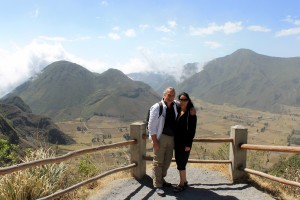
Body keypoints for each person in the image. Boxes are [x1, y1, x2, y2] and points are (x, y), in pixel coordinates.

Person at [148, 87, 179, 196]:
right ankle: (157, 185)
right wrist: (155, 141)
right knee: (158, 161)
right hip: (161, 137)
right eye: (169, 95)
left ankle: (161, 179)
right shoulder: (157, 107)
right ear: (164, 95)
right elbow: (151, 126)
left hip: (171, 138)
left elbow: (185, 103)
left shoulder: (175, 105)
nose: (171, 97)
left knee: (167, 160)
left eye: (173, 95)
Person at [173, 92, 197, 192]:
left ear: (188, 100)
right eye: (181, 100)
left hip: (184, 143)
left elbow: (192, 130)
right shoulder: (178, 110)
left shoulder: (190, 112)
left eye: (185, 100)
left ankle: (181, 184)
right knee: (179, 161)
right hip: (177, 141)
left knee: (181, 163)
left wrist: (188, 144)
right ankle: (185, 180)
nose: (183, 102)